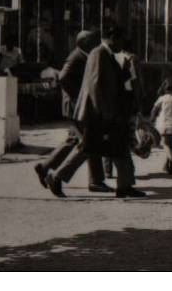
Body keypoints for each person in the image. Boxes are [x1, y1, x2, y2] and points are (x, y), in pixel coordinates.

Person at [46, 25, 146, 198]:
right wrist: (103, 113)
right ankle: (56, 177)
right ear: (113, 37)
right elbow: (94, 85)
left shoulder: (109, 56)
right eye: (121, 40)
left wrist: (125, 71)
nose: (123, 45)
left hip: (107, 112)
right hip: (97, 113)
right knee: (88, 148)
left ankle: (124, 186)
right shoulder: (98, 54)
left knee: (118, 147)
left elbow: (115, 83)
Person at [33, 30, 112, 193]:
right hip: (76, 107)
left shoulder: (84, 56)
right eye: (92, 41)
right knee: (89, 143)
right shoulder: (75, 57)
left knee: (75, 140)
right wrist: (78, 97)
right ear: (84, 43)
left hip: (77, 107)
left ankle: (45, 167)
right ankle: (89, 180)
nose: (96, 44)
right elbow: (63, 78)